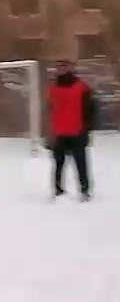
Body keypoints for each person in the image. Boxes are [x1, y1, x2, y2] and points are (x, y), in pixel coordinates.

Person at [49, 60, 98, 201]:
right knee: (58, 163)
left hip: (77, 130)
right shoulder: (52, 88)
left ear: (71, 68)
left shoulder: (81, 87)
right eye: (59, 66)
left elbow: (91, 108)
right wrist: (48, 132)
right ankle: (58, 190)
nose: (62, 69)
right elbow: (49, 109)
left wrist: (88, 127)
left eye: (65, 66)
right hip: (59, 131)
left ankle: (84, 190)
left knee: (81, 162)